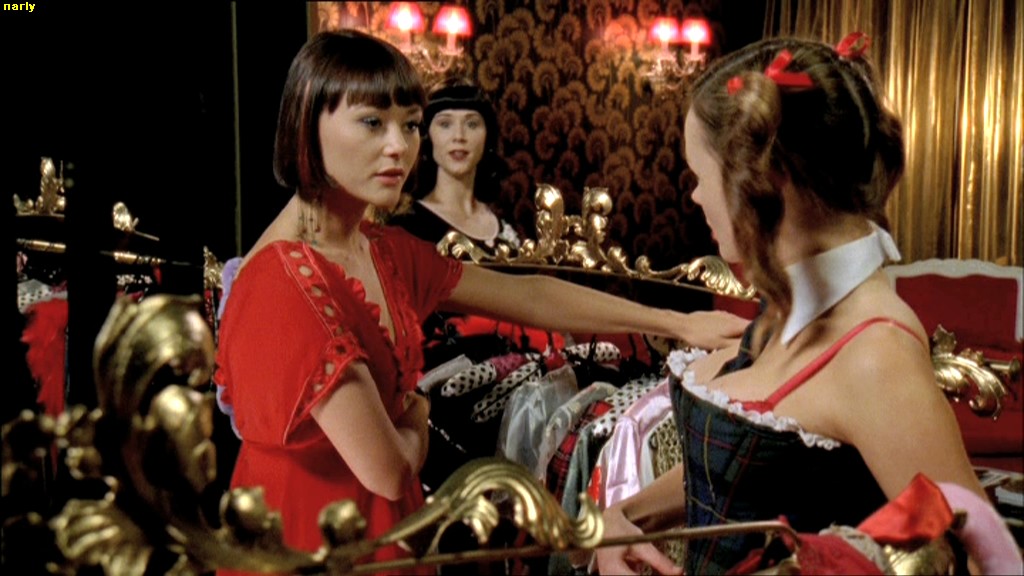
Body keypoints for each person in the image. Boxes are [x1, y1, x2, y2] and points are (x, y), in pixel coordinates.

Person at [214, 29, 748, 574]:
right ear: (308, 125)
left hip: (386, 533)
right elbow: (389, 470)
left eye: (410, 125)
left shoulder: (381, 248)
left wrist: (678, 322)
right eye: (372, 122)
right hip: (310, 543)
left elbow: (527, 294)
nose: (399, 147)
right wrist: (417, 416)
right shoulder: (286, 281)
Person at [596, 35, 1018, 575]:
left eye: (701, 177)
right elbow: (740, 474)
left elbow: (982, 557)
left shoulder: (875, 354)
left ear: (767, 178)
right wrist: (622, 517)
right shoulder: (787, 303)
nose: (695, 197)